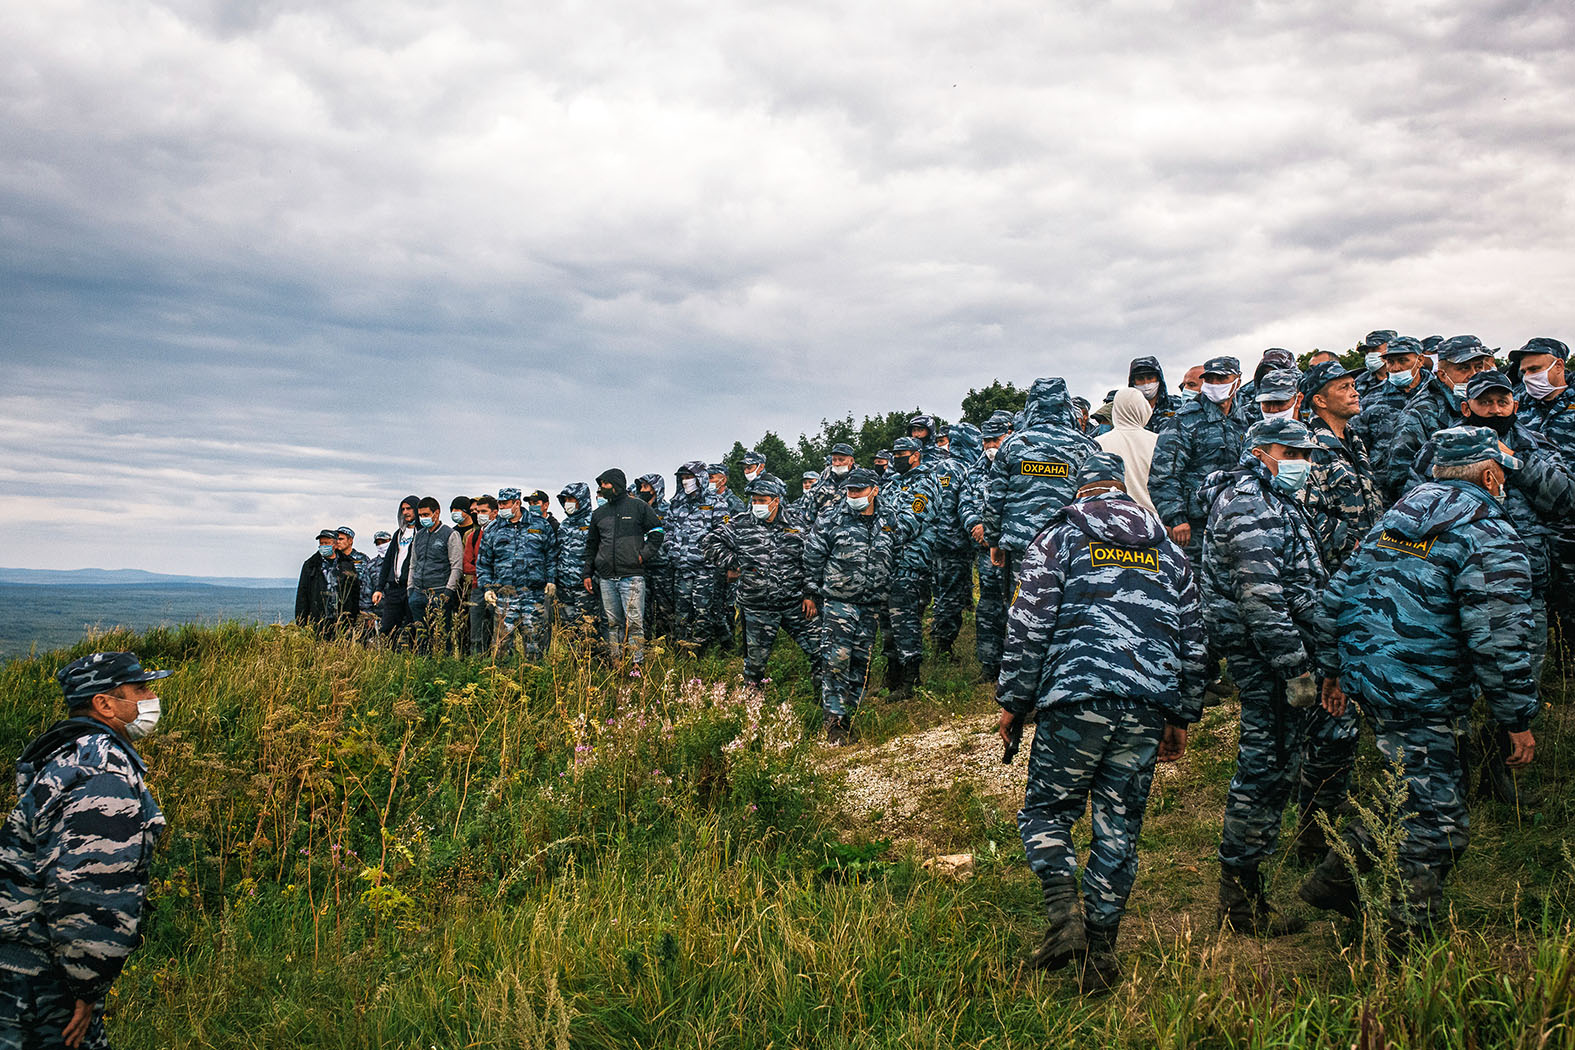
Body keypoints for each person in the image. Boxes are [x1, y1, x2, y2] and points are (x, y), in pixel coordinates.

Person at [1301, 426, 1539, 950]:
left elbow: (1334, 597)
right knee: (1440, 826)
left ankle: (1334, 879)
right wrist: (1516, 718)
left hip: (1374, 679)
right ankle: (1403, 942)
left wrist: (1335, 671)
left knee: (1409, 785)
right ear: (1492, 474)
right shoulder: (1486, 532)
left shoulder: (1396, 517)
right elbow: (1498, 640)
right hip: (1422, 687)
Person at [996, 452, 1206, 992]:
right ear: (1123, 489)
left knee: (1046, 809)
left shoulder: (1058, 539)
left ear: (1079, 490)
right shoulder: (1169, 551)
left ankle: (1065, 917)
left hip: (1075, 700)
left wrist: (1014, 701)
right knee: (1119, 831)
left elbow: (1027, 625)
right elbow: (1194, 640)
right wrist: (1181, 713)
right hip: (1146, 707)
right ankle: (1102, 957)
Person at [1404, 370, 1575, 798]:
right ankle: (1452, 776)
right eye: (1486, 403)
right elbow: (1416, 503)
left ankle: (1500, 771)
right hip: (1456, 587)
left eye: (1503, 402)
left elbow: (1564, 498)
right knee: (1460, 681)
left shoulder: (1534, 443)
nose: (1495, 410)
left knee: (1521, 675)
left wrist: (1510, 459)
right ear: (1467, 407)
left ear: (1514, 405)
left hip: (1524, 585)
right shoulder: (1443, 446)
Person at [0, 652, 172, 1049]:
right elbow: (89, 887)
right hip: (38, 988)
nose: (151, 696)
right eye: (140, 688)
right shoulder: (101, 769)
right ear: (105, 703)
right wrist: (86, 985)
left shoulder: (73, 751)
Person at [1199, 418, 1327, 936]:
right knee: (1266, 764)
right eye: (1290, 450)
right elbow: (1261, 599)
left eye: (1307, 453)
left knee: (1276, 761)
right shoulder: (1250, 502)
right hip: (1266, 655)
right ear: (1260, 451)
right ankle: (1241, 901)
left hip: (1276, 649)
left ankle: (1245, 890)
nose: (1302, 461)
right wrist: (1294, 666)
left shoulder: (1274, 496)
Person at [1291, 361, 1386, 860]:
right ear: (1318, 399)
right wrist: (1358, 549)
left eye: (1352, 384)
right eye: (1342, 387)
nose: (1353, 391)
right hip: (1330, 589)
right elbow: (1305, 522)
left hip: (1362, 588)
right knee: (1332, 714)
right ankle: (1314, 830)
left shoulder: (1355, 442)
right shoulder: (1311, 450)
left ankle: (1329, 812)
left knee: (1347, 704)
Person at [803, 468, 907, 743]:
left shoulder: (889, 519)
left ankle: (849, 717)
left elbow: (897, 553)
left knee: (861, 663)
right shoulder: (832, 518)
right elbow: (813, 555)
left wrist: (886, 583)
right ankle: (834, 723)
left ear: (874, 490)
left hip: (871, 603)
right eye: (849, 490)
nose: (852, 495)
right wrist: (812, 592)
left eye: (858, 491)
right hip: (839, 602)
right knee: (836, 661)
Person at [984, 377, 1098, 603]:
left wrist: (993, 541)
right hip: (1071, 547)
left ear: (1031, 405)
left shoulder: (1012, 445)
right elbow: (1096, 499)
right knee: (1067, 612)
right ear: (1065, 404)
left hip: (1023, 546)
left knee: (1022, 612)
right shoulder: (1086, 446)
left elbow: (995, 497)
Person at [703, 474, 820, 691]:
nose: (757, 504)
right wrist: (737, 563)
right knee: (754, 666)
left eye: (762, 500)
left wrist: (810, 594)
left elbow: (812, 559)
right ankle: (752, 708)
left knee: (820, 652)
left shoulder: (798, 523)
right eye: (754, 500)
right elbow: (709, 543)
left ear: (776, 500)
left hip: (795, 603)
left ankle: (824, 706)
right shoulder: (740, 523)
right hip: (757, 606)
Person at [1149, 356, 1250, 566]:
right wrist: (1176, 519)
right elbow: (1163, 473)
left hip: (1236, 520)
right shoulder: (1185, 420)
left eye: (1221, 379)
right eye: (1210, 379)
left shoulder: (1243, 420)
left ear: (1237, 381)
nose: (1215, 385)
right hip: (1195, 526)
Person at [1508, 337, 1575, 652]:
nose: (1527, 377)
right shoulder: (1516, 405)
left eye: (1534, 369)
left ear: (1558, 366)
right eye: (1524, 371)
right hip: (1531, 525)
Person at [1379, 335, 1494, 500]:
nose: (1474, 375)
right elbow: (1400, 479)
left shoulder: (1491, 404)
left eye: (1478, 367)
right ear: (1442, 375)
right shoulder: (1418, 414)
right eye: (1464, 368)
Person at [878, 436, 941, 699]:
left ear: (916, 454)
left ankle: (909, 680)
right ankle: (892, 674)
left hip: (911, 562)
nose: (897, 457)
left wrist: (879, 533)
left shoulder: (926, 483)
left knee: (906, 621)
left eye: (902, 453)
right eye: (895, 453)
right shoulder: (891, 483)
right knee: (887, 622)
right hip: (887, 562)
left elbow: (910, 522)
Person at [583, 469, 665, 664]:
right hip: (607, 578)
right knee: (613, 624)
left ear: (617, 485)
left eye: (606, 484)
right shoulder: (599, 514)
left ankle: (637, 665)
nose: (602, 488)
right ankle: (616, 662)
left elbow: (657, 532)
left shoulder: (638, 507)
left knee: (635, 624)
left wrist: (642, 556)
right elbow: (591, 544)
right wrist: (588, 571)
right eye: (601, 484)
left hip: (632, 576)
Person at [959, 412, 1013, 683]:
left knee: (1014, 607)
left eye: (996, 439)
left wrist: (995, 531)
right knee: (988, 607)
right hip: (985, 551)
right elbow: (965, 504)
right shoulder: (974, 471)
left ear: (1008, 435)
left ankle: (1014, 666)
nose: (991, 446)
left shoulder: (1018, 465)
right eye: (987, 441)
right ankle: (989, 666)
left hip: (1011, 550)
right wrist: (976, 525)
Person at [930, 423, 982, 661]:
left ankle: (938, 636)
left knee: (941, 592)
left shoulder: (940, 467)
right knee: (951, 595)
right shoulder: (965, 468)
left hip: (936, 539)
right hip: (956, 541)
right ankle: (943, 646)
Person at [1351, 335, 1431, 486]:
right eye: (1390, 362)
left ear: (1419, 360)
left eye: (1403, 361)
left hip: (1433, 488)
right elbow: (1358, 446)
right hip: (1385, 489)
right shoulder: (1371, 400)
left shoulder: (1438, 395)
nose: (1396, 368)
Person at [668, 460, 730, 648]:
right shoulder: (676, 503)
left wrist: (708, 554)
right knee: (682, 612)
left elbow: (724, 533)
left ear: (700, 478)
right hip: (682, 568)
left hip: (705, 569)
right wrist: (673, 551)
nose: (686, 481)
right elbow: (669, 530)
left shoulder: (716, 502)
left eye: (690, 477)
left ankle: (703, 650)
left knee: (704, 611)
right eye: (684, 478)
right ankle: (683, 649)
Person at [407, 497, 464, 653]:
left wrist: (448, 591)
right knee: (421, 637)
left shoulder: (450, 535)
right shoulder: (418, 536)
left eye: (426, 514)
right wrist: (410, 589)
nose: (423, 518)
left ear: (436, 513)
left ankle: (442, 667)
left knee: (441, 635)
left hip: (439, 592)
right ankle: (423, 665)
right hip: (418, 592)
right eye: (421, 515)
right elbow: (413, 564)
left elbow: (456, 566)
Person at [1095, 388, 1159, 514]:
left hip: (1114, 520)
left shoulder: (1098, 443)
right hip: (1153, 522)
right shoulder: (1159, 442)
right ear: (1144, 409)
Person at [373, 495, 421, 642]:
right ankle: (388, 657)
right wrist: (379, 588)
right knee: (387, 627)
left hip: (412, 587)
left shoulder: (421, 533)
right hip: (394, 587)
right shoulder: (399, 534)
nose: (406, 512)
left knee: (413, 627)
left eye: (409, 509)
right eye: (403, 509)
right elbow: (388, 561)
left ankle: (413, 659)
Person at [295, 528, 359, 637]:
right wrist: (301, 620)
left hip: (342, 618)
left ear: (334, 544)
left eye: (327, 543)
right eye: (321, 543)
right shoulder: (311, 565)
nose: (323, 546)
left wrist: (353, 617)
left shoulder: (347, 563)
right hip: (318, 618)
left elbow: (354, 591)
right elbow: (303, 592)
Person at [633, 474, 674, 639]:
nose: (642, 490)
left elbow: (672, 535)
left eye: (646, 487)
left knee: (665, 608)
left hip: (663, 567)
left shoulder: (668, 510)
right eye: (641, 487)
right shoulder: (637, 510)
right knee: (643, 608)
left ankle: (669, 644)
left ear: (656, 489)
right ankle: (648, 643)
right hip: (641, 566)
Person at [554, 483, 599, 635]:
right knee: (568, 630)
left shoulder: (594, 522)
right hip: (564, 586)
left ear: (582, 500)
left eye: (572, 499)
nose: (568, 503)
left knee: (587, 630)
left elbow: (598, 552)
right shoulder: (564, 525)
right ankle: (571, 659)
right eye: (566, 499)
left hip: (585, 587)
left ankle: (589, 658)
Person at [466, 497, 497, 655]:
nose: (480, 515)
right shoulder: (474, 536)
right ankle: (475, 665)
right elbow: (466, 565)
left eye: (484, 511)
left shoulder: (501, 534)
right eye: (478, 512)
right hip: (478, 588)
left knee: (496, 633)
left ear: (494, 513)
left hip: (498, 589)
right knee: (476, 634)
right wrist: (484, 570)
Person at [1126, 356, 1180, 433]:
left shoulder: (1177, 405)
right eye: (1140, 379)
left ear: (1159, 378)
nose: (1146, 383)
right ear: (1133, 382)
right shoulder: (1127, 411)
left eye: (1150, 378)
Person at [361, 531, 391, 637]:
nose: (381, 545)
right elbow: (366, 592)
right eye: (378, 542)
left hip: (399, 611)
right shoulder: (371, 565)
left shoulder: (398, 562)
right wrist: (368, 616)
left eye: (384, 541)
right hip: (379, 614)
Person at [1353, 330, 1397, 400]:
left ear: (1391, 348)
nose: (1370, 354)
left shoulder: (1404, 378)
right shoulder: (1359, 381)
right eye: (1367, 351)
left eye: (1374, 349)